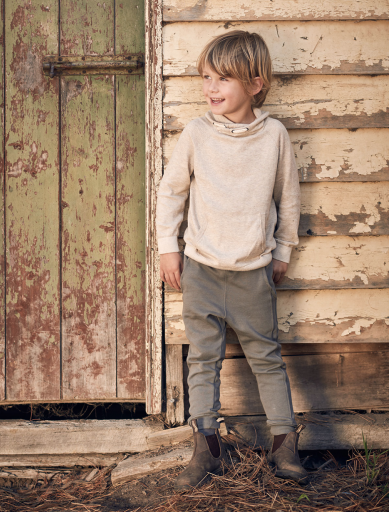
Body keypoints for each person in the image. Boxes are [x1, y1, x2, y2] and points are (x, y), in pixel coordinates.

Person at [156, 30, 308, 490]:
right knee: (203, 358)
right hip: (201, 267)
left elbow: (289, 197)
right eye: (206, 77)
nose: (211, 87)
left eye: (224, 78)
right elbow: (173, 191)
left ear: (256, 83)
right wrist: (168, 246)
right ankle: (207, 446)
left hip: (253, 271)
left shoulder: (274, 135)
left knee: (266, 356)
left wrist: (282, 250)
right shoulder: (198, 132)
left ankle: (285, 444)